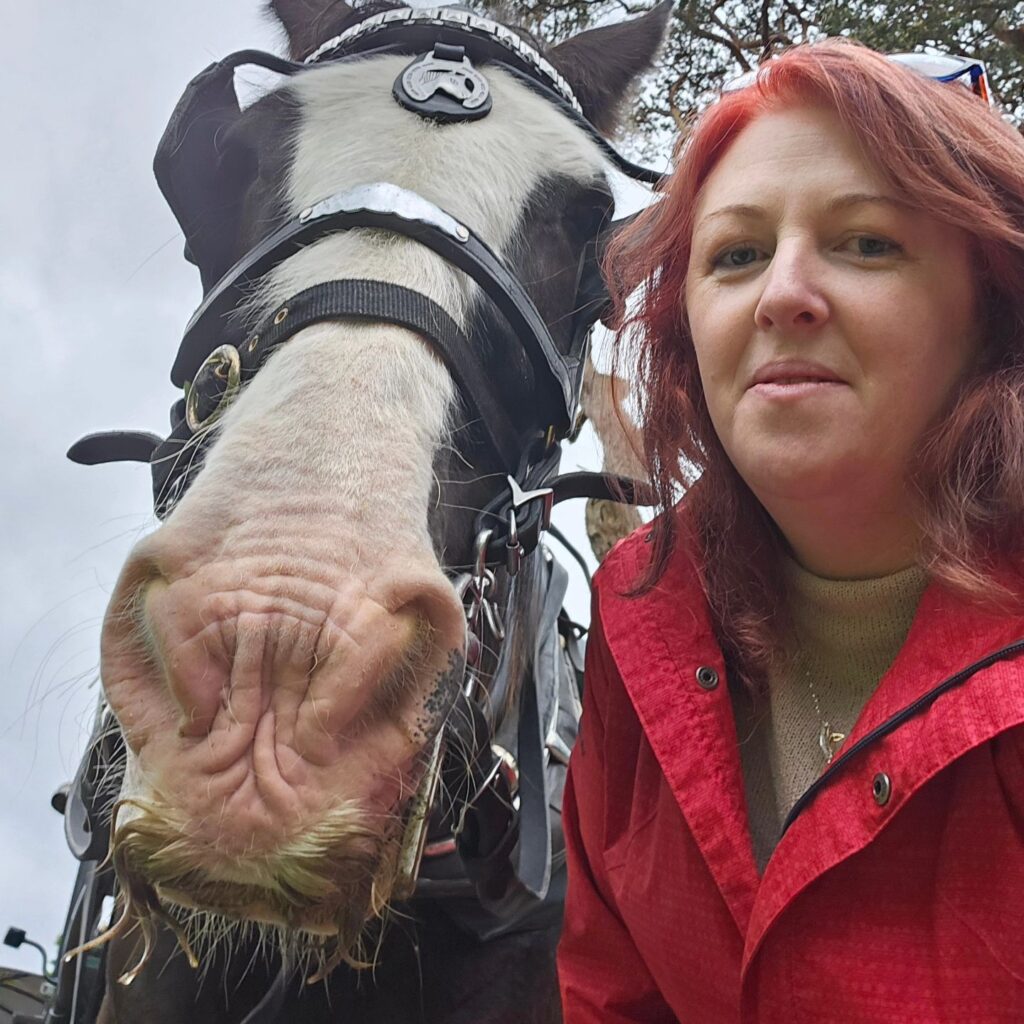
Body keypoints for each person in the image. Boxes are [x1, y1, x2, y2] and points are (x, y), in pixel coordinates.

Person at [557, 39, 1024, 1022]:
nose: (782, 295)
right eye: (735, 255)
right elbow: (612, 990)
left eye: (866, 242)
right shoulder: (638, 609)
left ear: (992, 309)